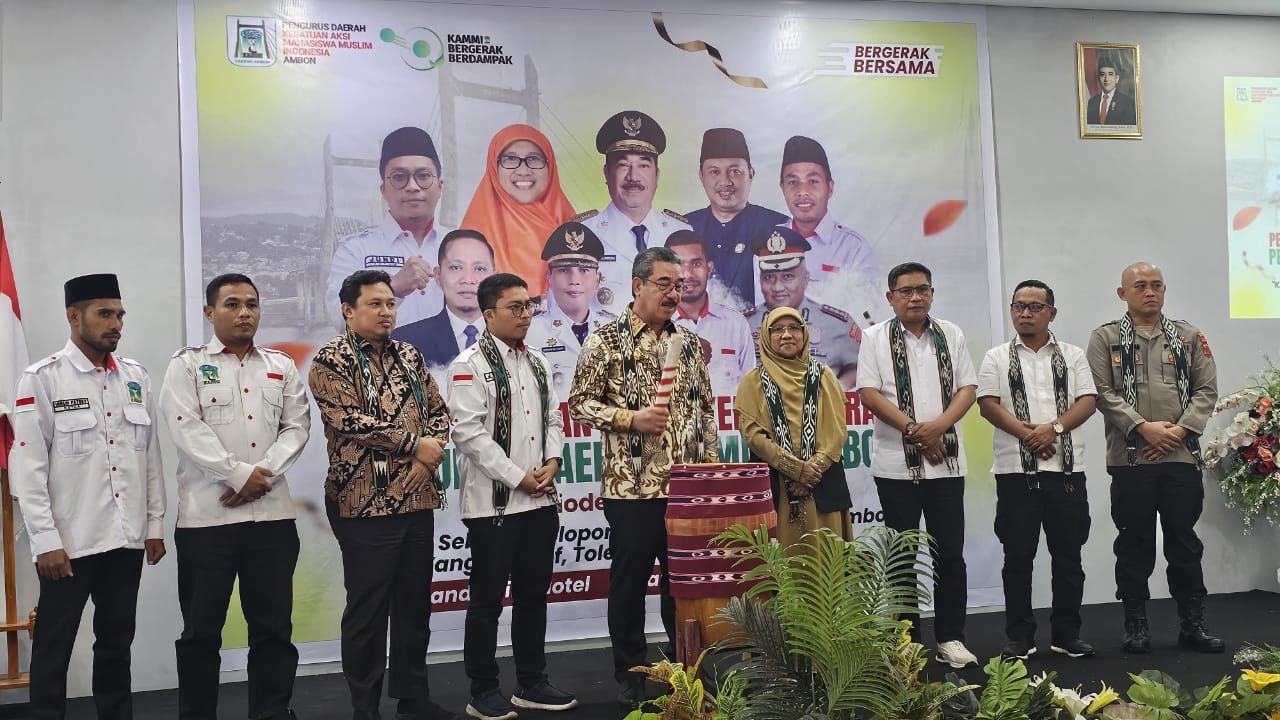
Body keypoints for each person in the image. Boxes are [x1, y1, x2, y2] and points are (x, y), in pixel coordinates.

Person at [9, 273, 167, 719]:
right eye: (104, 314)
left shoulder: (135, 377)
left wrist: (154, 525)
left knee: (116, 644)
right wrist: (45, 542)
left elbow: (149, 457)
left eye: (119, 315)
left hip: (125, 540)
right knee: (54, 646)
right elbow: (28, 470)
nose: (115, 324)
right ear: (73, 316)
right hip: (69, 544)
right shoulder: (44, 379)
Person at [568, 247, 717, 709]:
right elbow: (579, 404)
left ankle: (687, 671)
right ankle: (630, 674)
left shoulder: (688, 342)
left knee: (684, 588)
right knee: (629, 586)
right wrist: (630, 418)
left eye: (679, 285)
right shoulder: (605, 341)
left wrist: (709, 471)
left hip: (687, 490)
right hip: (632, 490)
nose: (674, 293)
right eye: (664, 284)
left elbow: (705, 410)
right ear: (637, 285)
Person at [308, 270, 458, 720]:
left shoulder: (410, 355)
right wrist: (415, 446)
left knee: (414, 606)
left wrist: (426, 459)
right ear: (348, 310)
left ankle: (413, 699)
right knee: (368, 610)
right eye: (374, 304)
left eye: (390, 303)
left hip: (416, 497)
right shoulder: (331, 359)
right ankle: (365, 707)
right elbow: (349, 420)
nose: (386, 312)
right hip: (364, 501)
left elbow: (439, 413)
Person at [161, 274, 311, 719]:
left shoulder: (281, 366)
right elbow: (186, 428)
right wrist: (238, 475)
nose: (244, 312)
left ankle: (271, 712)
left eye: (252, 304)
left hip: (272, 520)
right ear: (209, 312)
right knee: (201, 633)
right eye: (232, 304)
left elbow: (297, 428)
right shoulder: (187, 366)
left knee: (273, 631)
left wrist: (261, 478)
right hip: (207, 523)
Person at [447, 273, 576, 720]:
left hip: (540, 500)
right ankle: (482, 690)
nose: (525, 315)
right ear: (488, 314)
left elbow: (555, 419)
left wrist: (553, 462)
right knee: (486, 603)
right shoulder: (468, 365)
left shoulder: (537, 360)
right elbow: (468, 434)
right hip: (493, 506)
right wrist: (517, 476)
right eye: (514, 307)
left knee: (533, 596)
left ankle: (531, 683)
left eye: (528, 306)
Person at [1087, 262, 1222, 654]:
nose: (1150, 292)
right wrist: (1143, 427)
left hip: (1180, 457)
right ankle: (1136, 624)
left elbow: (1206, 390)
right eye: (1141, 286)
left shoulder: (1189, 336)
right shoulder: (1105, 337)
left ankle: (1192, 624)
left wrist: (1177, 432)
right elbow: (1101, 392)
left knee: (1184, 542)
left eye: (1157, 285)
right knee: (1134, 543)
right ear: (1122, 293)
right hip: (1131, 459)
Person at [855, 261, 979, 669]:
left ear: (932, 293)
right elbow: (869, 394)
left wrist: (938, 428)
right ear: (890, 298)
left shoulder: (951, 334)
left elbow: (967, 389)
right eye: (905, 291)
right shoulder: (874, 337)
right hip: (896, 466)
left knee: (950, 555)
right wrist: (914, 430)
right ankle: (906, 642)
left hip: (947, 464)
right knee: (902, 557)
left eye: (922, 289)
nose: (915, 297)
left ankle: (951, 638)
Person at [976, 280, 1097, 662]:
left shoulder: (1073, 355)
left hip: (1066, 473)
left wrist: (1053, 429)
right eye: (1018, 306)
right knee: (1017, 558)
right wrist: (1030, 435)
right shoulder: (996, 357)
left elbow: (1088, 401)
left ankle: (1067, 635)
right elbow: (987, 404)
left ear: (1051, 313)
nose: (1025, 313)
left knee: (1069, 559)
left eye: (1034, 307)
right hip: (1016, 472)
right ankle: (1020, 638)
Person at [736, 307, 851, 545]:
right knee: (781, 559)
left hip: (823, 485)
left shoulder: (824, 376)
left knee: (827, 559)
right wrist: (796, 469)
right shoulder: (752, 381)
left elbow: (836, 432)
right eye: (777, 329)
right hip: (776, 487)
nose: (786, 335)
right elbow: (753, 435)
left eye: (794, 328)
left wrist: (812, 470)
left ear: (804, 333)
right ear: (766, 337)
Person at [326, 127, 454, 329]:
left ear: (440, 186)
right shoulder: (356, 250)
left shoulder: (465, 247)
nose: (412, 186)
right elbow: (340, 317)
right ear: (383, 190)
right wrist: (392, 289)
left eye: (423, 176)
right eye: (399, 177)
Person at [577, 110, 691, 315]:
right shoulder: (582, 236)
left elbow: (696, 309)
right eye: (623, 165)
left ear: (657, 175)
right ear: (606, 173)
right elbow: (563, 315)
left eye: (643, 165)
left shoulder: (682, 233)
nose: (633, 177)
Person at [460, 124, 576, 298]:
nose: (523, 171)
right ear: (494, 167)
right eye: (511, 159)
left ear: (550, 166)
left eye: (534, 159)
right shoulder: (471, 236)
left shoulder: (575, 229)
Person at [776, 135, 881, 318]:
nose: (802, 192)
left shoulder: (854, 250)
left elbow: (869, 316)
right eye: (793, 182)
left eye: (813, 181)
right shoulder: (766, 243)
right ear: (783, 188)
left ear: (830, 188)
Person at [682, 128, 788, 307]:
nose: (725, 182)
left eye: (735, 171)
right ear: (701, 176)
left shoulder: (778, 227)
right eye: (714, 172)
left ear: (751, 174)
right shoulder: (683, 228)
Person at [744, 227, 861, 388]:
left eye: (788, 277)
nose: (777, 287)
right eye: (769, 277)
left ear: (806, 279)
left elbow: (860, 366)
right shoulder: (743, 324)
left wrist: (837, 391)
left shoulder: (837, 324)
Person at [526, 222, 616, 401]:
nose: (574, 280)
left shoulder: (617, 330)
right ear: (549, 278)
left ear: (598, 279)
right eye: (563, 270)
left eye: (584, 270)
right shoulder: (528, 333)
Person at [664, 229, 755, 396]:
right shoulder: (648, 328)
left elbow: (751, 394)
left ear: (709, 267)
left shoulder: (736, 324)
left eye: (696, 264)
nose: (687, 274)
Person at [393, 230, 496, 371]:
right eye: (456, 267)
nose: (468, 279)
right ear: (438, 276)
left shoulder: (519, 338)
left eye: (479, 269)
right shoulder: (404, 342)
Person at [1086, 57, 1137, 125]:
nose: (1106, 79)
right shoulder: (1092, 102)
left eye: (1110, 74)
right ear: (1098, 78)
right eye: (1102, 75)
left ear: (1117, 79)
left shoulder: (1127, 102)